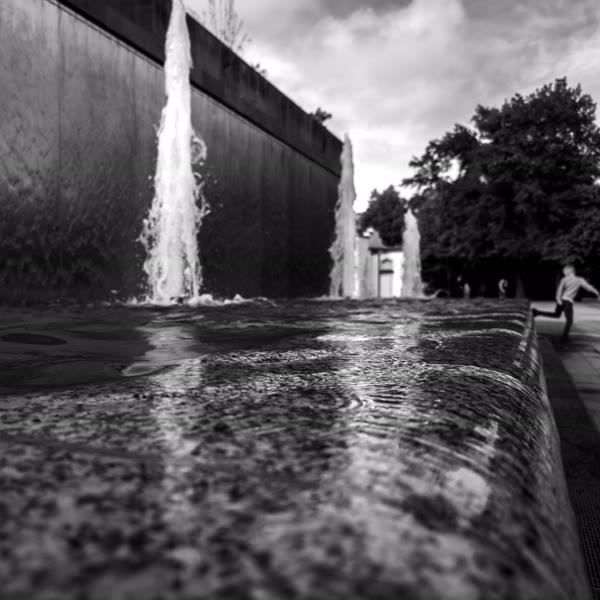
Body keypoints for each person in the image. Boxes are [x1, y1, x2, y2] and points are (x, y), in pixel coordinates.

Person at [532, 265, 600, 342]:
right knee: (569, 320)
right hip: (568, 301)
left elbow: (559, 289)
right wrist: (597, 293)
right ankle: (564, 337)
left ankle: (537, 312)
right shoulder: (579, 280)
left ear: (568, 272)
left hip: (562, 299)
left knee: (556, 314)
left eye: (564, 273)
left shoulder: (564, 279)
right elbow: (589, 288)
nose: (564, 274)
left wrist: (558, 298)